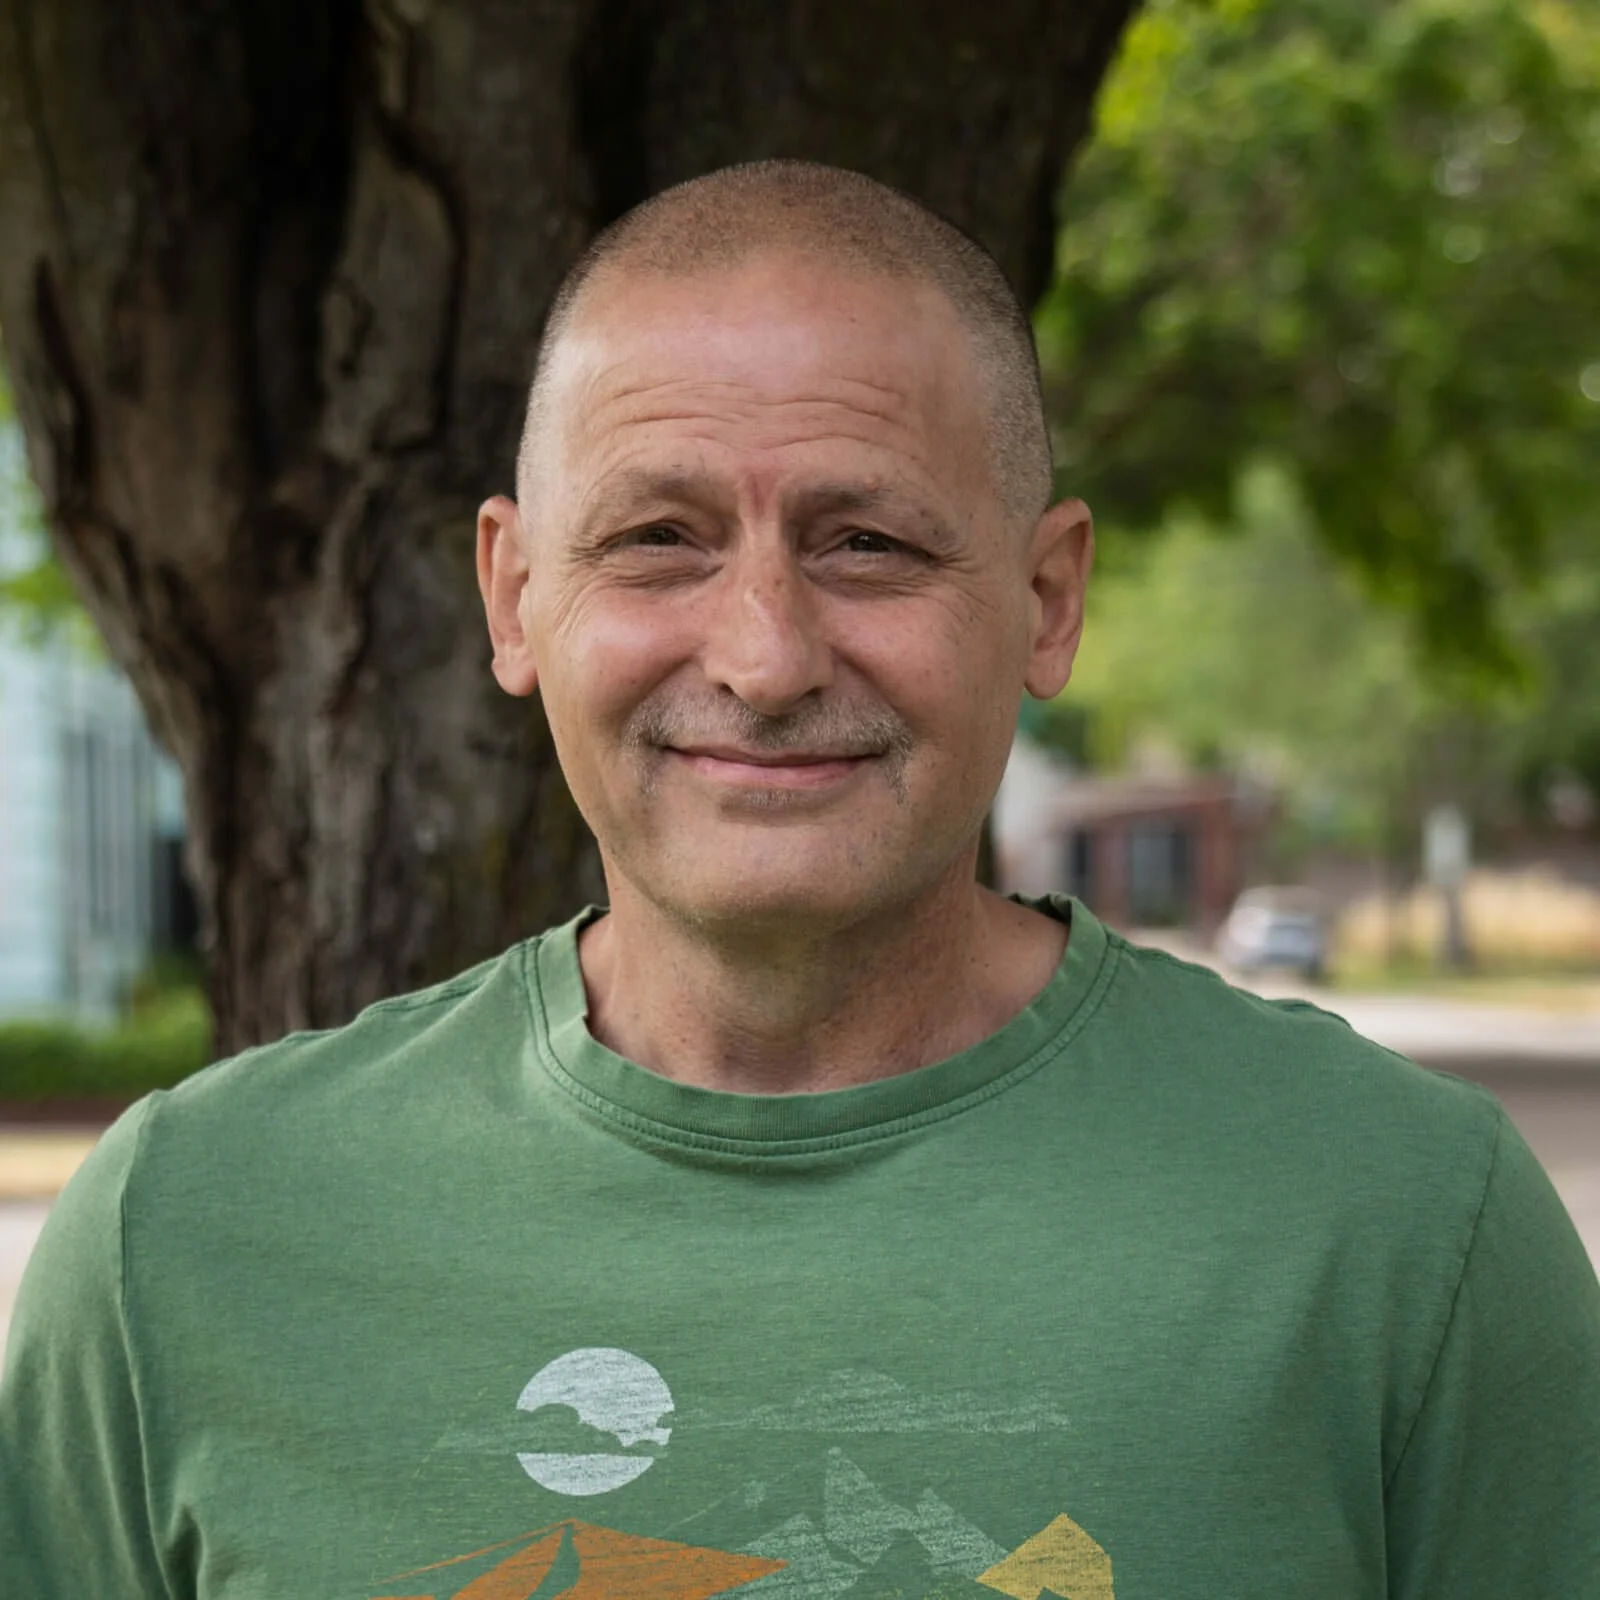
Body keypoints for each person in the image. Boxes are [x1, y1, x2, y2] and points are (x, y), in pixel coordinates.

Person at [2, 161, 1597, 1600]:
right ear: (515, 594)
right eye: (658, 539)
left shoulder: (1402, 1236)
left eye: (867, 545)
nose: (763, 658)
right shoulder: (182, 1245)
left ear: (1045, 603)